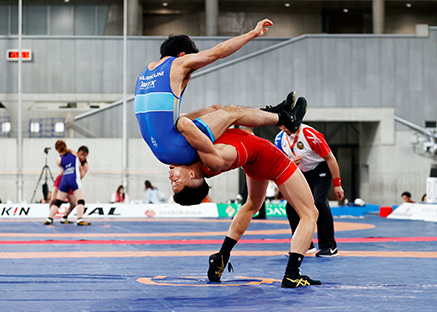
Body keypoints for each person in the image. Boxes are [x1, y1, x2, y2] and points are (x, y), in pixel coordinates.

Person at [169, 114, 320, 288]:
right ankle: (292, 274)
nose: (170, 175)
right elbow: (186, 123)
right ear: (192, 177)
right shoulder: (210, 157)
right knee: (310, 213)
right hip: (270, 158)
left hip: (254, 161)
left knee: (252, 204)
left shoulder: (195, 159)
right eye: (176, 182)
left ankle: (222, 256)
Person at [134, 18, 300, 169]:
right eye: (190, 72)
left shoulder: (144, 75)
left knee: (215, 109)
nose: (188, 76)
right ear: (182, 55)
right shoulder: (178, 63)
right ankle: (285, 119)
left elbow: (160, 118)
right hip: (178, 149)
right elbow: (218, 52)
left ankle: (267, 112)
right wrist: (253, 33)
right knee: (231, 112)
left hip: (160, 151)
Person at [274, 100, 344, 257]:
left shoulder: (310, 135)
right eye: (281, 126)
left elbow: (330, 158)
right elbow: (280, 164)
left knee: (319, 203)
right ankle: (305, 245)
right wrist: (290, 163)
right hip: (300, 172)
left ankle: (329, 247)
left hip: (320, 169)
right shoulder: (279, 140)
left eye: (286, 125)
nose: (283, 128)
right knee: (291, 207)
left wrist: (337, 184)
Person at [43, 141, 91, 226]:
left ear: (57, 150)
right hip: (74, 179)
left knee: (58, 201)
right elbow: (79, 169)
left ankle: (49, 218)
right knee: (80, 200)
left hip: (64, 180)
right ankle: (79, 219)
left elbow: (62, 167)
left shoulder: (59, 159)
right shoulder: (74, 155)